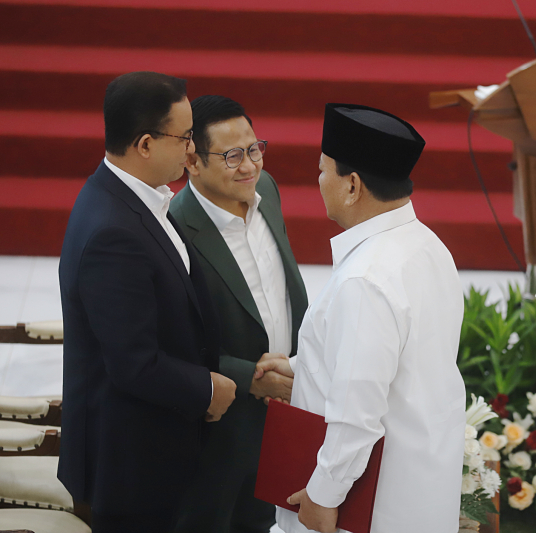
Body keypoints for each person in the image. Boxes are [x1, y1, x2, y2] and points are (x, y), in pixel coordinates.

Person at [271, 104, 466, 533]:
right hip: (421, 485)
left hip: (370, 503)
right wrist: (300, 367)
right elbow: (394, 359)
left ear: (353, 185)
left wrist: (323, 495)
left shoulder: (367, 278)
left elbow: (357, 412)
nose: (319, 181)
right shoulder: (427, 245)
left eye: (324, 171)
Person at [58, 72, 237, 533]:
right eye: (185, 137)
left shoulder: (134, 197)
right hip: (129, 462)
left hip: (154, 441)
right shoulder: (112, 233)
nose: (192, 150)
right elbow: (132, 363)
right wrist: (207, 391)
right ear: (144, 144)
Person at [169, 95, 308, 533]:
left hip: (285, 405)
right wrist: (252, 376)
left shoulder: (265, 190)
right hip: (222, 420)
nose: (249, 166)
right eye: (231, 156)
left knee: (268, 519)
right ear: (192, 160)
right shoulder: (174, 226)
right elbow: (174, 341)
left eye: (254, 149)